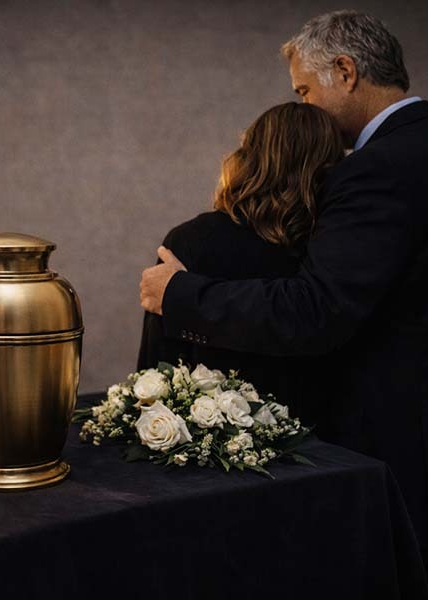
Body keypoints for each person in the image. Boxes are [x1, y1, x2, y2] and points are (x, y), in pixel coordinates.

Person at [139, 10, 428, 600]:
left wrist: (181, 293)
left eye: (305, 90)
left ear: (345, 72)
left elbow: (316, 309)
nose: (303, 107)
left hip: (405, 454)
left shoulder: (377, 170)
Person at [137, 101, 344, 422]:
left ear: (251, 157)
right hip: (323, 441)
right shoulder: (331, 248)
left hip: (205, 444)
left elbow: (157, 370)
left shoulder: (191, 240)